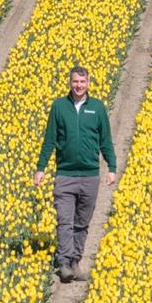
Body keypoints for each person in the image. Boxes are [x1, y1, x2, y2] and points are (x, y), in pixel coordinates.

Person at [35, 65, 116, 283]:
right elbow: (50, 139)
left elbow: (105, 140)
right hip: (65, 174)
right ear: (70, 83)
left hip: (90, 175)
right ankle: (63, 263)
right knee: (64, 221)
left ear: (88, 83)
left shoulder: (97, 108)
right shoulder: (59, 107)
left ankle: (75, 262)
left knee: (82, 223)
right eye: (75, 82)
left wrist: (111, 167)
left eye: (82, 82)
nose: (78, 86)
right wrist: (41, 168)